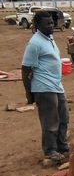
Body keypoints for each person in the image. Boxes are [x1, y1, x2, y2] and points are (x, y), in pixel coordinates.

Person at [22, 11, 69, 162]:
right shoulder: (34, 43)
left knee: (63, 117)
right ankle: (50, 150)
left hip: (56, 85)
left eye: (51, 22)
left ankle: (61, 145)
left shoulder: (49, 38)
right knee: (50, 121)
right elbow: (25, 69)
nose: (51, 25)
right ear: (37, 25)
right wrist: (29, 94)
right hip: (43, 87)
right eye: (47, 24)